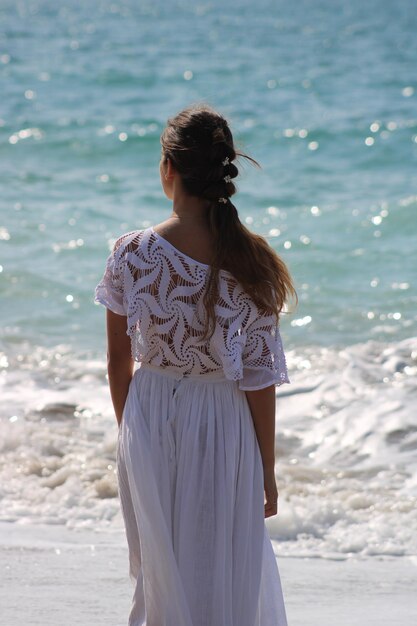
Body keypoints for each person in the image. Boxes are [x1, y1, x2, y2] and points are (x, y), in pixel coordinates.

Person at [94, 104, 296, 626]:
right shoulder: (255, 262)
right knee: (222, 563)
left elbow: (118, 360)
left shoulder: (131, 252)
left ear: (169, 169)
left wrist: (129, 431)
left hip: (150, 409)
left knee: (159, 573)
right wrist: (266, 470)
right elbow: (258, 378)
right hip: (224, 420)